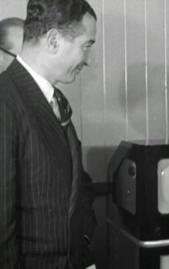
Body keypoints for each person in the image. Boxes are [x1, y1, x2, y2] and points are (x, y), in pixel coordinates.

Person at [0, 0, 97, 268]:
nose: (87, 60)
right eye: (86, 46)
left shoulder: (56, 101)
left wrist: (83, 247)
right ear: (53, 40)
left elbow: (75, 187)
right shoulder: (5, 100)